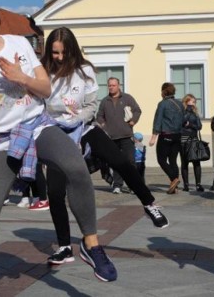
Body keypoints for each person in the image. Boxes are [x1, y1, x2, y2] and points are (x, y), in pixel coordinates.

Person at [0, 0, 117, 297]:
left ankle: (91, 245)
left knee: (76, 168)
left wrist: (20, 76)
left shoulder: (19, 43)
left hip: (36, 126)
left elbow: (46, 88)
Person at [41, 27, 168, 265]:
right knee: (55, 191)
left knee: (121, 160)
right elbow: (39, 105)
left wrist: (76, 123)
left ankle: (149, 204)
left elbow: (90, 105)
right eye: (55, 53)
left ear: (72, 50)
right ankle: (65, 246)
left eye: (63, 52)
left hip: (84, 126)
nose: (58, 57)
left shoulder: (84, 70)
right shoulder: (43, 72)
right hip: (56, 133)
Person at [96, 77, 142, 194]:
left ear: (118, 85)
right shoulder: (105, 101)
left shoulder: (127, 98)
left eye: (113, 85)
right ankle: (117, 185)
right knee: (116, 162)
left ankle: (133, 186)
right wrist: (103, 125)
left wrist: (133, 121)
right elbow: (99, 115)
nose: (111, 87)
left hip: (126, 135)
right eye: (109, 85)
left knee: (130, 162)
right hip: (111, 137)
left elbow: (137, 110)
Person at [149, 82, 184, 194]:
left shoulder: (162, 104)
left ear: (163, 92)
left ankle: (174, 179)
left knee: (161, 160)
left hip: (166, 135)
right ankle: (175, 187)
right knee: (173, 160)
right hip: (178, 135)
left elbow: (158, 120)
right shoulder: (180, 104)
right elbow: (183, 120)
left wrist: (154, 136)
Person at [180, 94, 204, 192]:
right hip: (183, 140)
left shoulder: (195, 113)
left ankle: (198, 184)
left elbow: (199, 126)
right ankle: (186, 185)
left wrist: (190, 124)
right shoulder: (181, 111)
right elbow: (182, 121)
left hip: (194, 139)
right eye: (192, 102)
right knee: (184, 162)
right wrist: (188, 109)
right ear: (186, 101)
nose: (194, 104)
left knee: (196, 161)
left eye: (194, 102)